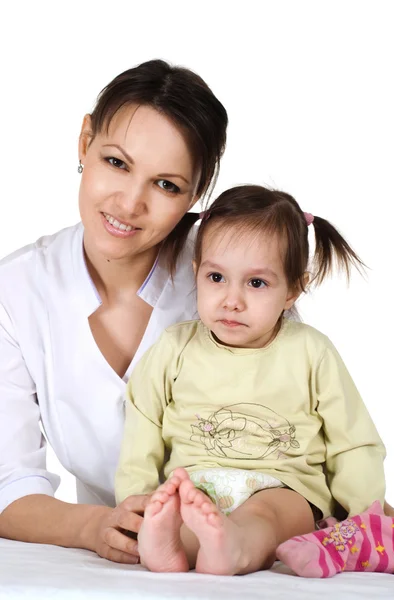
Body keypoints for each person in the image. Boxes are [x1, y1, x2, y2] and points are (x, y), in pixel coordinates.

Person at [0, 59, 228, 564]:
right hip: (122, 570)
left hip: (252, 553)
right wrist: (96, 527)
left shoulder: (229, 277)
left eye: (166, 185)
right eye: (117, 163)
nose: (129, 203)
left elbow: (303, 428)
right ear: (85, 143)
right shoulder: (15, 292)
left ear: (196, 194)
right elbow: (7, 485)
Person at [115, 185, 388, 576]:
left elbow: (352, 439)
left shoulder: (311, 351)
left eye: (256, 283)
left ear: (293, 288)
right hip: (196, 484)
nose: (232, 300)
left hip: (282, 487)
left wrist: (363, 513)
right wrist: (138, 499)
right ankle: (170, 544)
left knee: (270, 516)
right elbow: (142, 425)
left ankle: (234, 547)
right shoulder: (175, 347)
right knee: (181, 509)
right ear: (197, 273)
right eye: (216, 277)